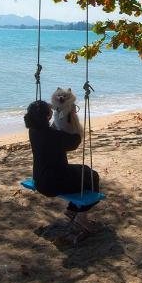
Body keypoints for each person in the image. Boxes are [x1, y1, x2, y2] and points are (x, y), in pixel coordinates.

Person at [24, 99, 100, 230]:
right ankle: (81, 217)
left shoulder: (33, 130)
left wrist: (62, 113)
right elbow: (75, 141)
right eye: (50, 111)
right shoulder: (53, 136)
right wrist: (72, 117)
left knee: (85, 171)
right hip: (54, 183)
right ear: (47, 116)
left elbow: (53, 129)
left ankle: (72, 210)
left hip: (40, 179)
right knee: (93, 178)